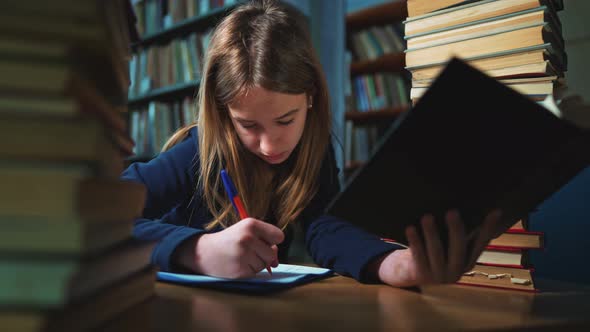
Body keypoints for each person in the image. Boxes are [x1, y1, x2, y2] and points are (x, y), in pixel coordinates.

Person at [122, 0, 503, 287]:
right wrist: (197, 250)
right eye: (247, 125)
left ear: (311, 98)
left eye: (285, 120)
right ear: (223, 114)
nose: (270, 145)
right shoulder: (199, 151)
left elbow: (326, 227)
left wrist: (397, 265)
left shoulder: (312, 148)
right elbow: (106, 215)